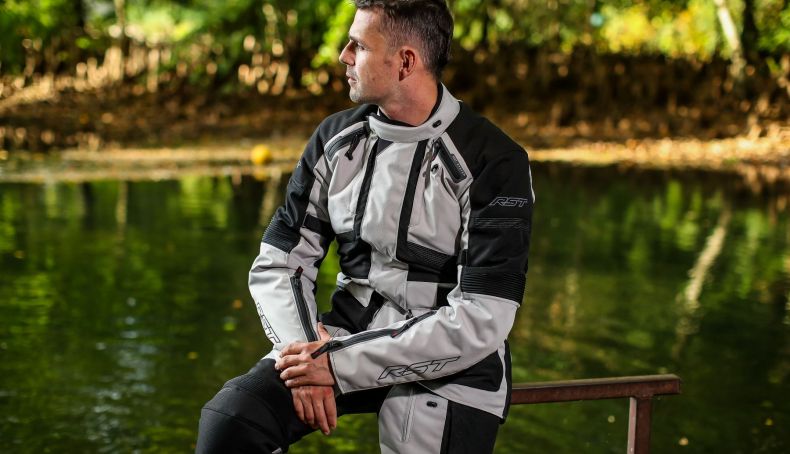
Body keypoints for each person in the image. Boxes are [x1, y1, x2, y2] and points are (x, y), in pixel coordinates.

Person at [196, 1, 534, 452]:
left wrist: (335, 365)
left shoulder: (496, 161)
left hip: (455, 362)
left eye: (358, 45)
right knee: (231, 421)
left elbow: (483, 317)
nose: (344, 56)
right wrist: (308, 358)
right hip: (343, 335)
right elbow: (280, 262)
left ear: (405, 62)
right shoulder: (335, 140)